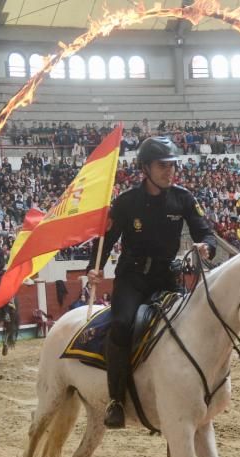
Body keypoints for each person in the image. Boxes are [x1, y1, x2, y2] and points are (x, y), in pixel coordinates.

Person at [86, 136, 215, 428]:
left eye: (172, 165)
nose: (169, 171)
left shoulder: (183, 198)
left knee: (191, 325)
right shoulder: (125, 203)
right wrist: (93, 268)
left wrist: (207, 247)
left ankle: (190, 398)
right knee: (121, 324)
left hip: (168, 277)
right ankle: (116, 400)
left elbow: (204, 232)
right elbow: (106, 243)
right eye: (162, 165)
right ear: (145, 167)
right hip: (133, 278)